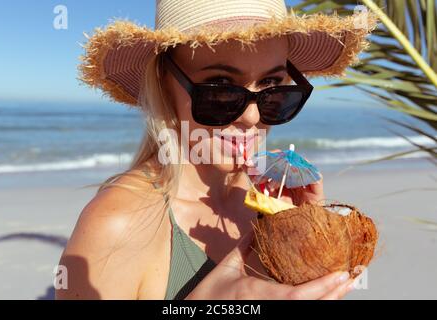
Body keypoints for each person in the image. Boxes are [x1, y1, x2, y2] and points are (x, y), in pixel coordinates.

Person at [56, 0, 377, 300]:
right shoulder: (118, 224)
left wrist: (297, 254)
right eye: (221, 90)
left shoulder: (269, 199)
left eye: (271, 86)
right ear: (164, 80)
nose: (251, 117)